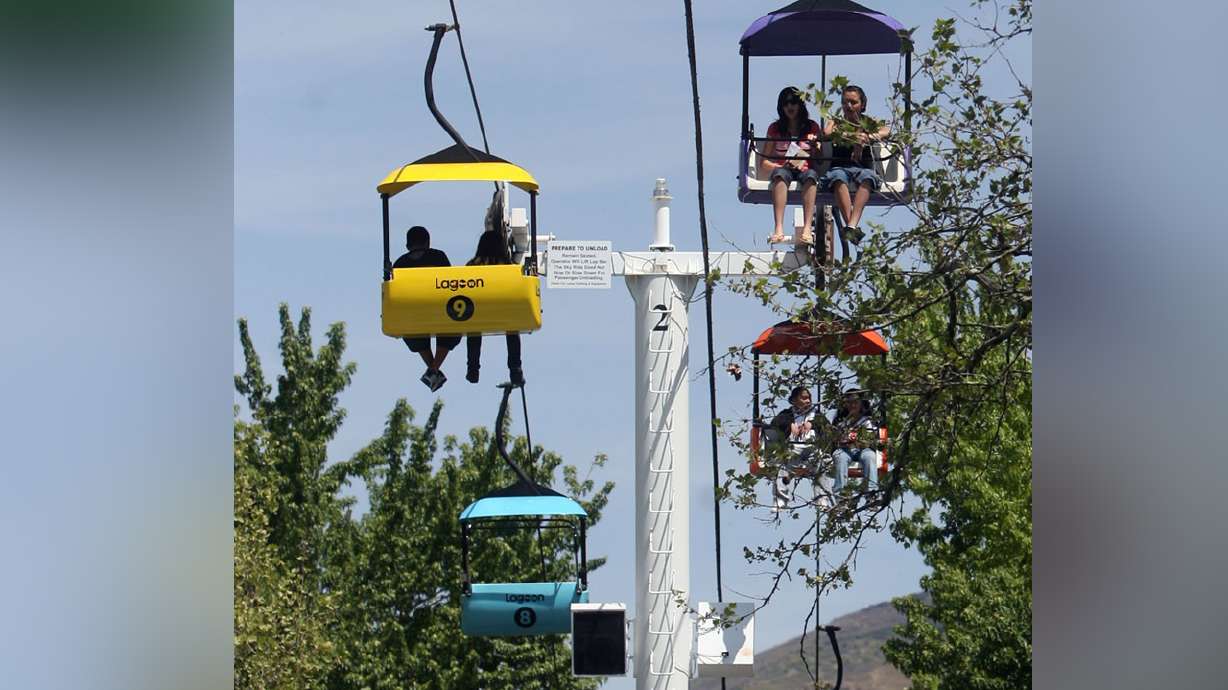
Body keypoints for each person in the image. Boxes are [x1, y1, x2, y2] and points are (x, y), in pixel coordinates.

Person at [817, 85, 892, 245]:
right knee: (838, 177)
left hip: (862, 168)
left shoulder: (868, 122)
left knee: (868, 177)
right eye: (845, 102)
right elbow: (828, 133)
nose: (849, 106)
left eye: (853, 102)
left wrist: (867, 138)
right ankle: (852, 228)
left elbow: (886, 131)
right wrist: (852, 137)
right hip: (840, 167)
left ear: (862, 104)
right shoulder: (837, 122)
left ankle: (851, 225)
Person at [392, 225, 460, 391]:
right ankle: (433, 369)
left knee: (416, 337)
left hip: (412, 315)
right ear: (428, 242)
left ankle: (433, 370)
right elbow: (450, 283)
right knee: (451, 329)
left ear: (407, 245)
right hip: (438, 309)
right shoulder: (438, 257)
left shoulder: (400, 263)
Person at [760, 87, 822, 245]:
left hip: (804, 169)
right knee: (780, 176)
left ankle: (807, 228)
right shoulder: (775, 129)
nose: (789, 107)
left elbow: (819, 159)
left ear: (800, 105)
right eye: (785, 103)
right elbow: (764, 163)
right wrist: (780, 165)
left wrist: (815, 145)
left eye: (793, 102)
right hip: (784, 169)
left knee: (811, 176)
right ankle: (778, 227)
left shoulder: (812, 127)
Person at [464, 229, 525, 386]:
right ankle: (515, 368)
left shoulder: (472, 265)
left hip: (478, 311)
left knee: (473, 331)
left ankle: (473, 369)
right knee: (512, 332)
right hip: (503, 311)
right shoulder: (508, 266)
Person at [766, 386, 829, 511]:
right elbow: (775, 424)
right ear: (794, 400)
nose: (808, 401)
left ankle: (821, 499)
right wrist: (789, 425)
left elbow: (827, 427)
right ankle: (780, 499)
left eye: (809, 398)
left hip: (812, 449)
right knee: (782, 463)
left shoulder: (816, 415)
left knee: (820, 464)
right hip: (793, 450)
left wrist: (812, 424)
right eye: (804, 398)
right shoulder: (787, 414)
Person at [830, 388, 880, 493]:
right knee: (840, 457)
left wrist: (858, 439)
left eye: (856, 402)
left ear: (861, 403)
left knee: (870, 457)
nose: (853, 405)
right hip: (845, 450)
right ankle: (841, 492)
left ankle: (872, 491)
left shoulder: (868, 421)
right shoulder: (840, 421)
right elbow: (835, 438)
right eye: (849, 402)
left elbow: (872, 437)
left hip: (863, 449)